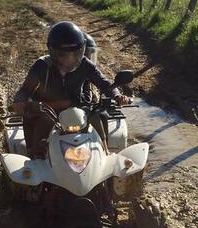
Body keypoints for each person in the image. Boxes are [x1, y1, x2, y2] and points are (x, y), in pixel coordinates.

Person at [12, 21, 130, 159]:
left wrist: (117, 95)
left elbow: (103, 82)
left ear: (81, 50)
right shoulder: (42, 65)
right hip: (48, 109)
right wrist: (19, 101)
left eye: (75, 53)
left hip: (77, 106)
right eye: (64, 54)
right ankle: (36, 157)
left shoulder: (85, 64)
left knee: (98, 115)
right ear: (53, 52)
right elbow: (25, 89)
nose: (70, 58)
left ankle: (104, 153)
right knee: (42, 121)